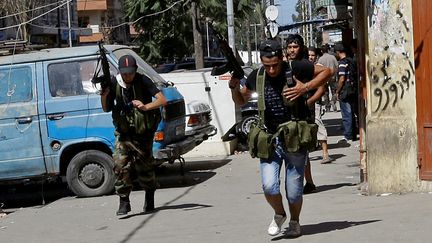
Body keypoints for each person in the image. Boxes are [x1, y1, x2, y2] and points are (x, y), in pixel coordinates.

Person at [229, 37, 330, 237]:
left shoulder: (297, 67)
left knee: (293, 191)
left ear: (281, 58)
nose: (272, 70)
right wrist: (233, 88)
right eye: (268, 66)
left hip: (294, 137)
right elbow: (241, 100)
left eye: (275, 65)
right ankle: (279, 213)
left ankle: (294, 221)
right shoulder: (257, 75)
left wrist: (305, 87)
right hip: (269, 138)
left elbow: (327, 72)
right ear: (261, 60)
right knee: (269, 186)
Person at [100, 54, 167, 215]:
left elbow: (162, 100)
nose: (127, 76)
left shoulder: (143, 80)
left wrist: (145, 106)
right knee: (120, 166)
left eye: (130, 72)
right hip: (123, 134)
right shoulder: (115, 83)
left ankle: (149, 198)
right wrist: (104, 94)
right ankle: (124, 201)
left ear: (135, 70)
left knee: (145, 168)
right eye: (125, 73)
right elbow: (106, 108)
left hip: (143, 133)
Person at [334, 43, 358, 141]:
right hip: (352, 89)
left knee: (346, 113)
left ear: (338, 52)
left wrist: (337, 91)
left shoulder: (342, 63)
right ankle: (352, 134)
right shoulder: (351, 60)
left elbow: (342, 78)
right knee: (351, 112)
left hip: (345, 90)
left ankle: (348, 135)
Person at [317, 44, 339, 112]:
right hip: (332, 77)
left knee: (325, 92)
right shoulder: (332, 57)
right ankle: (333, 100)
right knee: (334, 91)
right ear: (328, 50)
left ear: (321, 51)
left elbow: (318, 68)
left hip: (324, 78)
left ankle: (327, 108)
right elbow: (337, 66)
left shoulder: (320, 59)